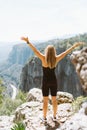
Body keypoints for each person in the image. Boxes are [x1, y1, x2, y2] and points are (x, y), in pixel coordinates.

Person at [21, 37, 84, 122]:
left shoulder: (43, 58)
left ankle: (44, 117)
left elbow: (35, 51)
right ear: (54, 51)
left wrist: (28, 42)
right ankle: (54, 116)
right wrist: (74, 46)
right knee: (54, 100)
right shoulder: (56, 59)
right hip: (53, 81)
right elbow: (65, 53)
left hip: (45, 82)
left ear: (46, 51)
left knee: (45, 101)